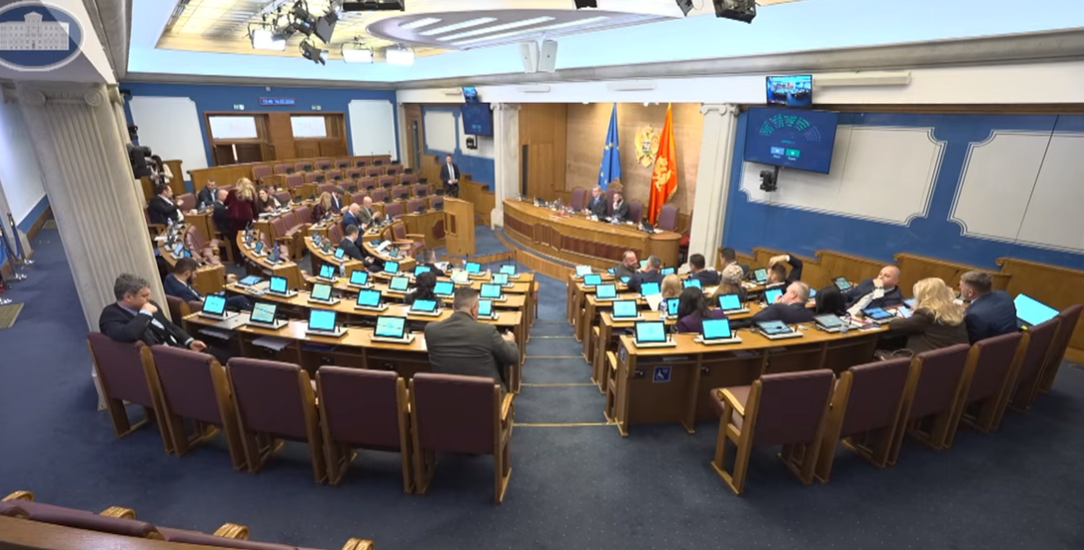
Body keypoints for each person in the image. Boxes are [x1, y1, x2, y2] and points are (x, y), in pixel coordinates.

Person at [423, 287, 519, 390]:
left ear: (453, 307)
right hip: (485, 396)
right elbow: (512, 357)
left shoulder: (431, 330)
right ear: (474, 308)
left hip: (445, 394)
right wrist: (510, 341)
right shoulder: (487, 331)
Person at [100, 273, 207, 352]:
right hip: (162, 359)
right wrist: (145, 313)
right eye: (144, 296)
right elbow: (128, 334)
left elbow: (168, 325)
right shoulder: (111, 315)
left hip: (179, 348)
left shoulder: (150, 304)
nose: (149, 299)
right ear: (128, 297)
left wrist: (189, 341)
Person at [879, 278, 969, 356]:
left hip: (924, 362)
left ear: (924, 297)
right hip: (954, 360)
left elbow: (895, 325)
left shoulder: (927, 314)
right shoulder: (956, 310)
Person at [163, 258, 249, 312]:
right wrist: (211, 300)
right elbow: (196, 307)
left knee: (228, 294)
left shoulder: (170, 277)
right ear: (187, 273)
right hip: (207, 307)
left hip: (203, 300)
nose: (195, 276)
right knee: (240, 299)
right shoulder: (182, 291)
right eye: (195, 274)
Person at [959, 270, 1018, 343]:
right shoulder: (1004, 295)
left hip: (993, 348)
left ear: (970, 292)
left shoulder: (974, 315)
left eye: (961, 286)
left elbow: (973, 343)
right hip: (1014, 343)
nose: (959, 287)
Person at [748, 281, 816, 325]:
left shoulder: (778, 308)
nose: (784, 295)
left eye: (786, 292)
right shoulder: (812, 315)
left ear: (793, 294)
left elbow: (755, 319)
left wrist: (775, 305)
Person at [225, 178, 257, 266]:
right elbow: (254, 207)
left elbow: (226, 203)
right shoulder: (250, 192)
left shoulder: (232, 192)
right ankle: (248, 258)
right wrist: (256, 217)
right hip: (247, 218)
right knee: (246, 238)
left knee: (235, 239)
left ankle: (238, 261)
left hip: (234, 218)